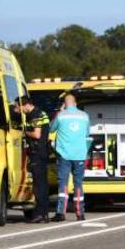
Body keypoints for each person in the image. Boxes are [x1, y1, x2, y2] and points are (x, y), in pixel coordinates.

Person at [50, 92, 90, 221]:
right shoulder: (84, 116)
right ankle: (80, 213)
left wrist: (59, 111)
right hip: (80, 154)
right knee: (78, 183)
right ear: (76, 103)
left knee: (63, 183)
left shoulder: (61, 116)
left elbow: (51, 129)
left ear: (64, 104)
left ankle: (61, 212)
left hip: (64, 155)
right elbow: (87, 132)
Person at [17, 96, 51, 223]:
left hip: (37, 152)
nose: (18, 109)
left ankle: (40, 214)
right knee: (42, 184)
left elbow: (37, 134)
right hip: (42, 151)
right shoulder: (40, 112)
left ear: (26, 105)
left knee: (39, 185)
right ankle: (44, 213)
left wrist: (24, 132)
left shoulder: (34, 114)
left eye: (18, 106)